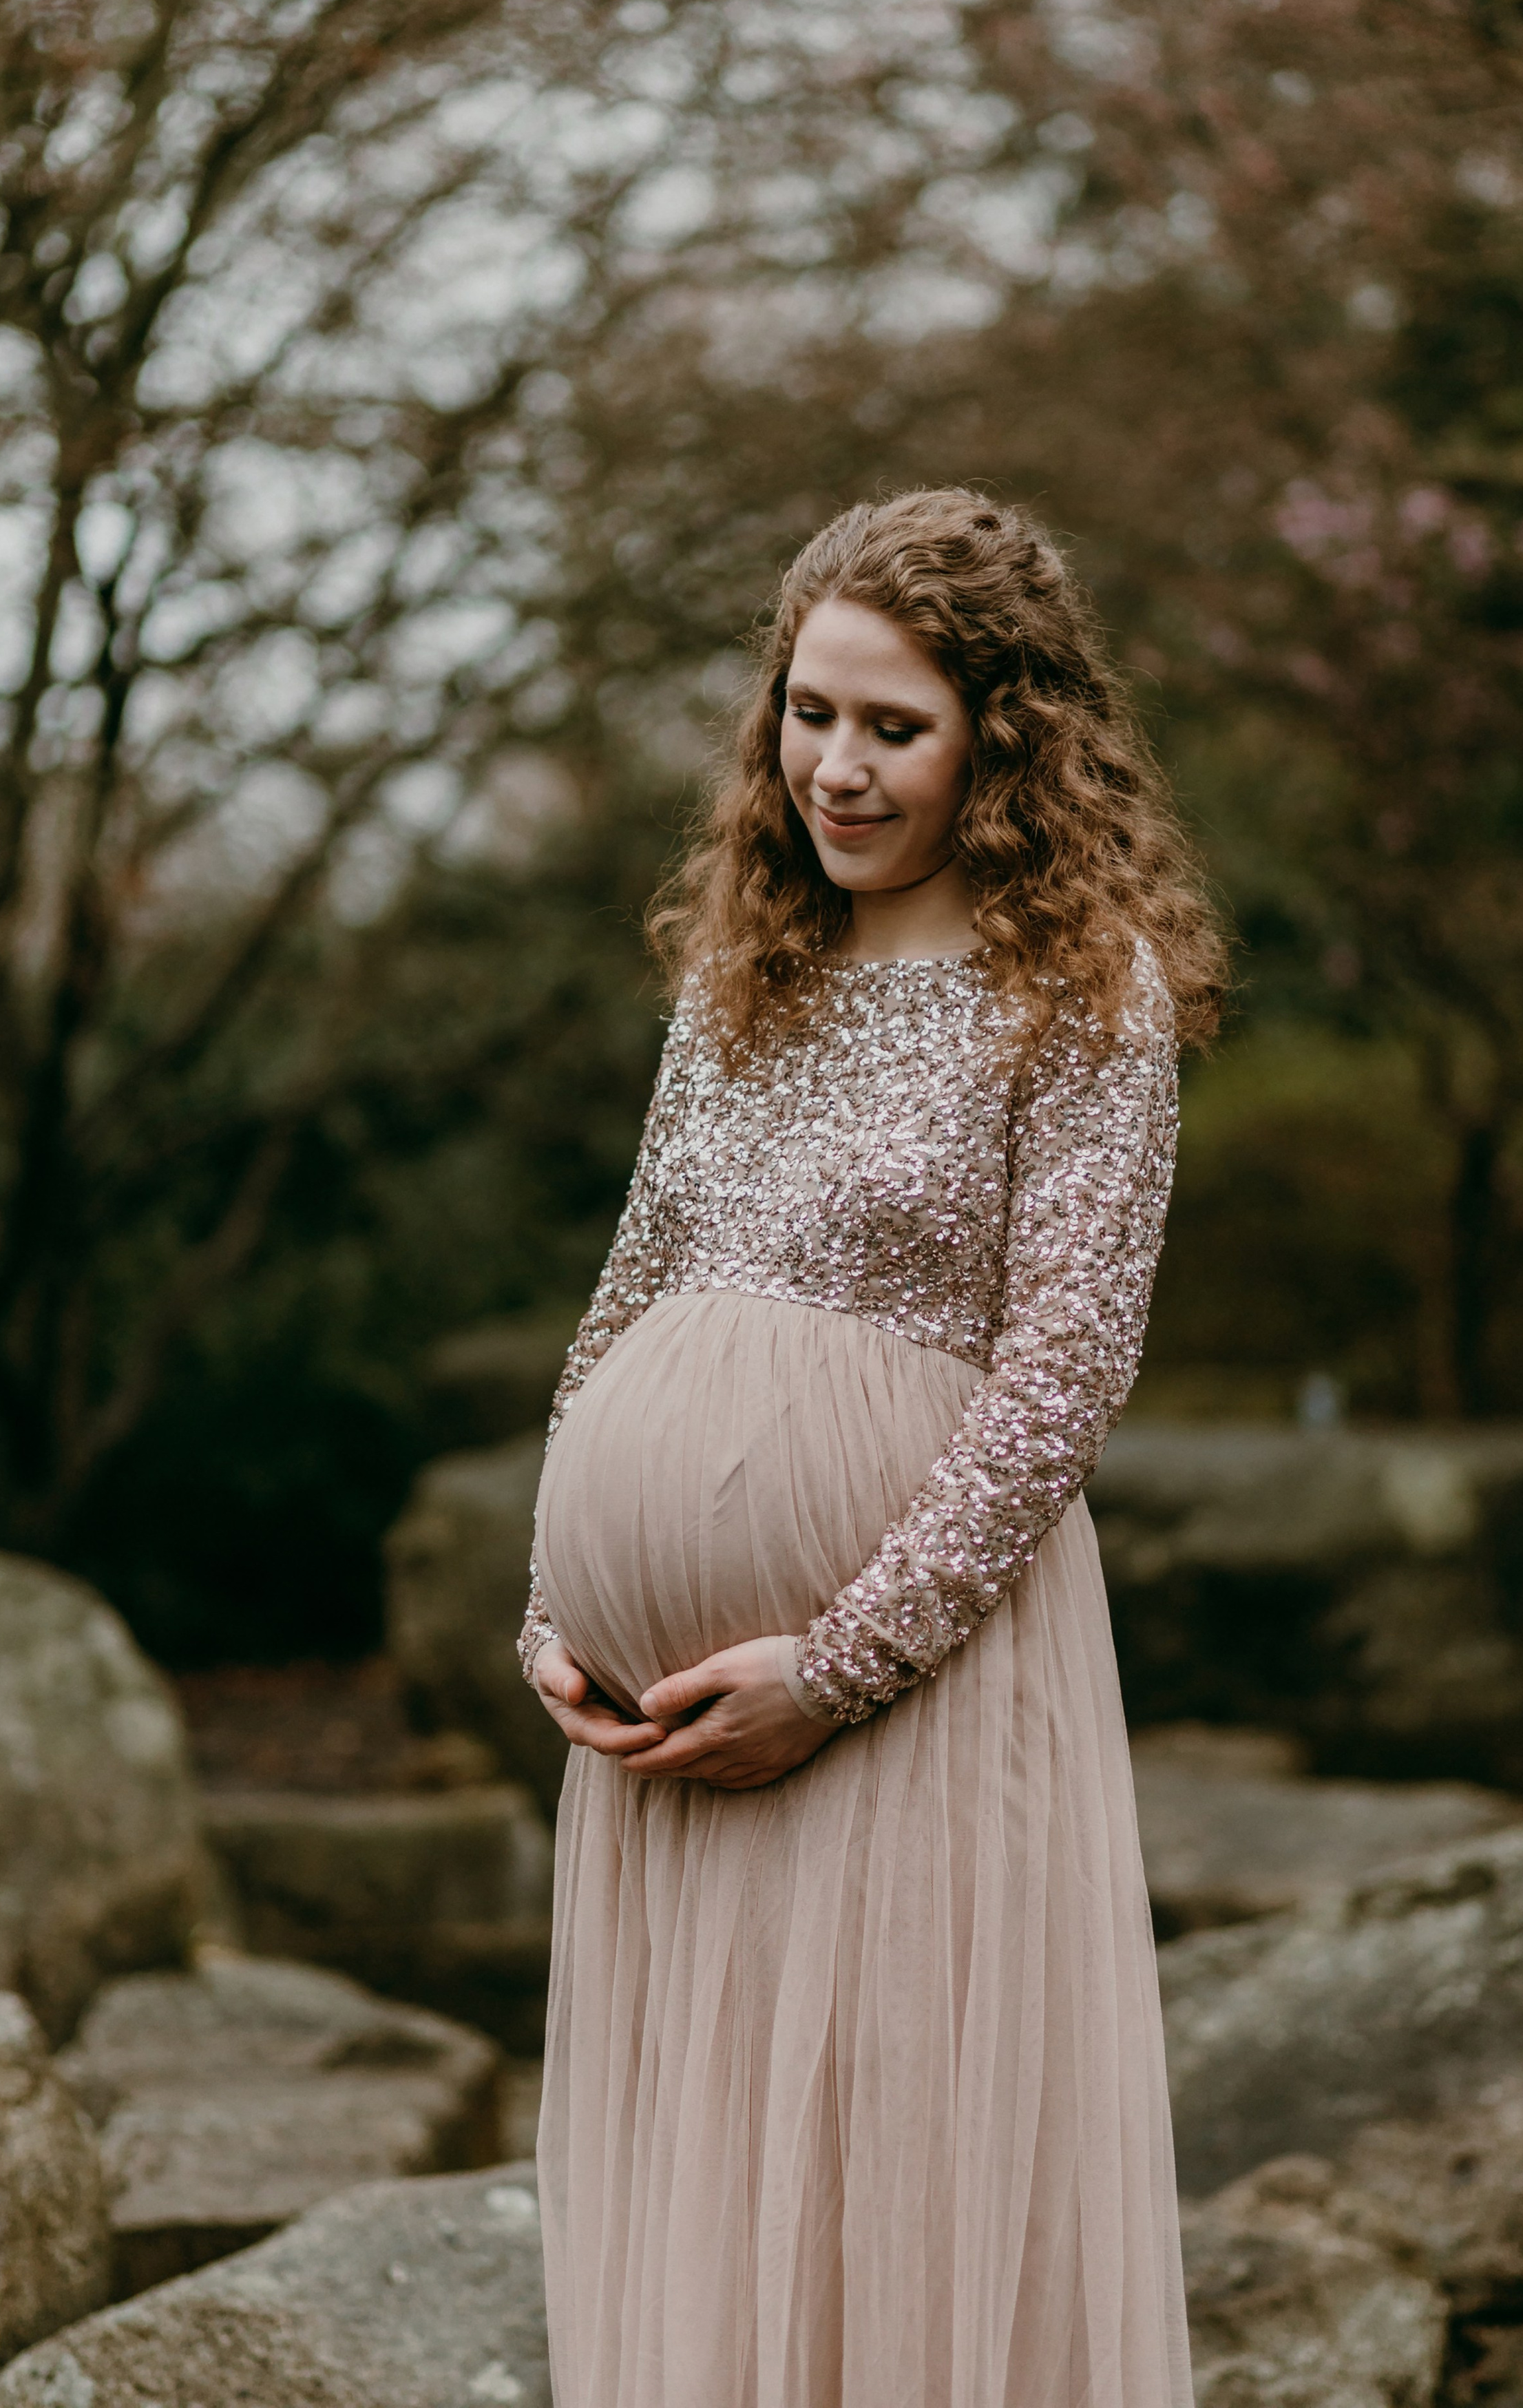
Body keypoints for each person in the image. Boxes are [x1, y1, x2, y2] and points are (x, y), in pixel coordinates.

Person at [518, 489, 1225, 2408]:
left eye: (893, 727)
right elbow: (632, 1292)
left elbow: (1063, 1379)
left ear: (1006, 739)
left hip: (906, 1699)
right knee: (706, 2202)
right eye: (808, 713)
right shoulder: (742, 972)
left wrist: (833, 1671)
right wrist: (553, 1611)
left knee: (890, 2190)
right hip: (663, 1735)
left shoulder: (1078, 991)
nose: (834, 767)